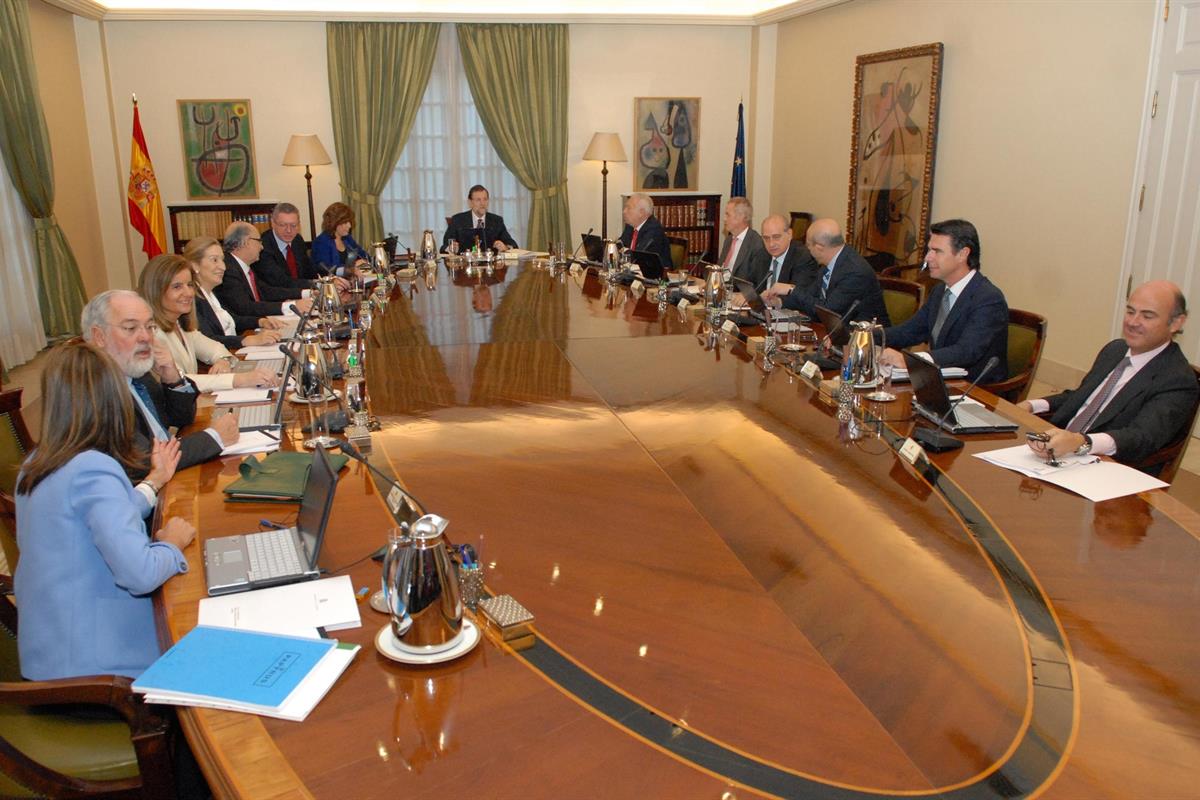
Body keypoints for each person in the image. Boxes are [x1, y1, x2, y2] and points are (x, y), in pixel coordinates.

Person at [13, 340, 195, 680]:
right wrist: (172, 545)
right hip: (96, 667)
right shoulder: (94, 468)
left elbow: (96, 516)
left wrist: (152, 485)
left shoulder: (36, 463)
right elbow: (140, 575)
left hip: (49, 651)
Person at [1021, 280, 1199, 474]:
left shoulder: (1177, 379)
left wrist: (1081, 441)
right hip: (1055, 451)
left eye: (1147, 316)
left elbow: (1141, 437)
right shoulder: (1115, 350)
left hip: (1105, 468)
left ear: (1176, 323)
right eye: (1130, 311)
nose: (1132, 322)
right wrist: (1032, 405)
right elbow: (1080, 397)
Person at [81, 290, 236, 474]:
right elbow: (143, 461)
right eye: (131, 328)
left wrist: (172, 378)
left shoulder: (133, 371)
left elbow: (181, 418)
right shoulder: (92, 389)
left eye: (149, 327)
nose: (145, 337)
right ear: (99, 336)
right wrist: (214, 437)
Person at [878, 219, 1007, 383]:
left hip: (975, 390)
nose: (927, 258)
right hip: (939, 379)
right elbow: (911, 331)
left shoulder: (988, 299)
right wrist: (866, 335)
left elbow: (967, 351)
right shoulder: (940, 290)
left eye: (937, 251)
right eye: (929, 250)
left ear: (962, 254)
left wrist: (911, 360)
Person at [138, 254, 279, 394]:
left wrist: (223, 361)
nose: (188, 293)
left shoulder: (181, 325)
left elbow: (216, 348)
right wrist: (240, 379)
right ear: (156, 291)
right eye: (177, 287)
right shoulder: (149, 335)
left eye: (189, 285)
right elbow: (179, 380)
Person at [763, 217, 890, 326]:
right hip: (836, 333)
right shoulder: (828, 265)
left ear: (819, 247)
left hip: (867, 340)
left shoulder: (855, 272)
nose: (808, 250)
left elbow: (827, 312)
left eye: (808, 246)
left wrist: (791, 289)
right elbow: (809, 296)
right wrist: (780, 302)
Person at [184, 235, 282, 351]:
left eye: (222, 260)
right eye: (214, 260)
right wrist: (247, 340)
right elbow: (207, 341)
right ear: (195, 265)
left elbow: (232, 320)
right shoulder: (191, 300)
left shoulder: (211, 293)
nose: (223, 267)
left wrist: (260, 321)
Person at [216, 221, 314, 319]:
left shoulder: (243, 267)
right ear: (246, 242)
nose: (262, 247)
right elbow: (245, 307)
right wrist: (291, 306)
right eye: (259, 241)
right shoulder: (228, 270)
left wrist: (307, 293)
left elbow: (266, 291)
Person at [443, 185, 518, 253]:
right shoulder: (458, 220)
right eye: (478, 200)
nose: (482, 203)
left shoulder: (497, 220)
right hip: (465, 266)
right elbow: (444, 246)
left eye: (485, 199)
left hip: (490, 266)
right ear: (470, 202)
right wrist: (451, 248)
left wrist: (505, 247)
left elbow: (512, 244)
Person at [758, 213, 820, 294]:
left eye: (776, 237)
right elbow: (753, 285)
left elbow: (799, 294)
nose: (771, 244)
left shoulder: (803, 258)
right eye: (766, 238)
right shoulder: (761, 254)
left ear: (789, 234)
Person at [716, 197, 769, 289]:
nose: (724, 219)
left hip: (740, 297)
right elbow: (720, 271)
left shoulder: (757, 244)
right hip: (723, 292)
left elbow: (758, 284)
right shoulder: (728, 240)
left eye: (728, 215)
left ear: (741, 217)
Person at [618, 194, 674, 272]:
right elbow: (619, 246)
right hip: (635, 273)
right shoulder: (630, 226)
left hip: (657, 278)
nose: (624, 211)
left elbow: (638, 254)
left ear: (641, 212)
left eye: (628, 208)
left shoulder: (654, 229)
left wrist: (624, 251)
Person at [311, 202, 370, 276]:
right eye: (345, 222)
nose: (349, 225)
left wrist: (363, 261)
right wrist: (351, 268)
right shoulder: (321, 242)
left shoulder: (347, 239)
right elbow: (327, 270)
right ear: (334, 222)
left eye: (350, 222)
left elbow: (365, 256)